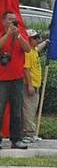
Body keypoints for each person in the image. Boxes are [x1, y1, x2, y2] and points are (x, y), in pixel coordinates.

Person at [0, 11, 32, 149]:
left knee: (17, 110)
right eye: (10, 20)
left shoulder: (21, 34)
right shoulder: (2, 34)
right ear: (4, 22)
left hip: (17, 79)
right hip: (2, 79)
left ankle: (16, 139)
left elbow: (28, 49)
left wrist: (18, 35)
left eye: (15, 20)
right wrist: (8, 34)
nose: (13, 22)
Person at [21, 29, 48, 143]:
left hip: (36, 85)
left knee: (32, 110)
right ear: (28, 39)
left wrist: (46, 43)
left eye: (38, 37)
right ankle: (28, 134)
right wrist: (30, 85)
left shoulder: (33, 51)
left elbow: (38, 48)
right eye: (35, 37)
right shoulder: (27, 53)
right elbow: (26, 69)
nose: (38, 39)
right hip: (29, 86)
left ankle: (30, 133)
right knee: (28, 111)